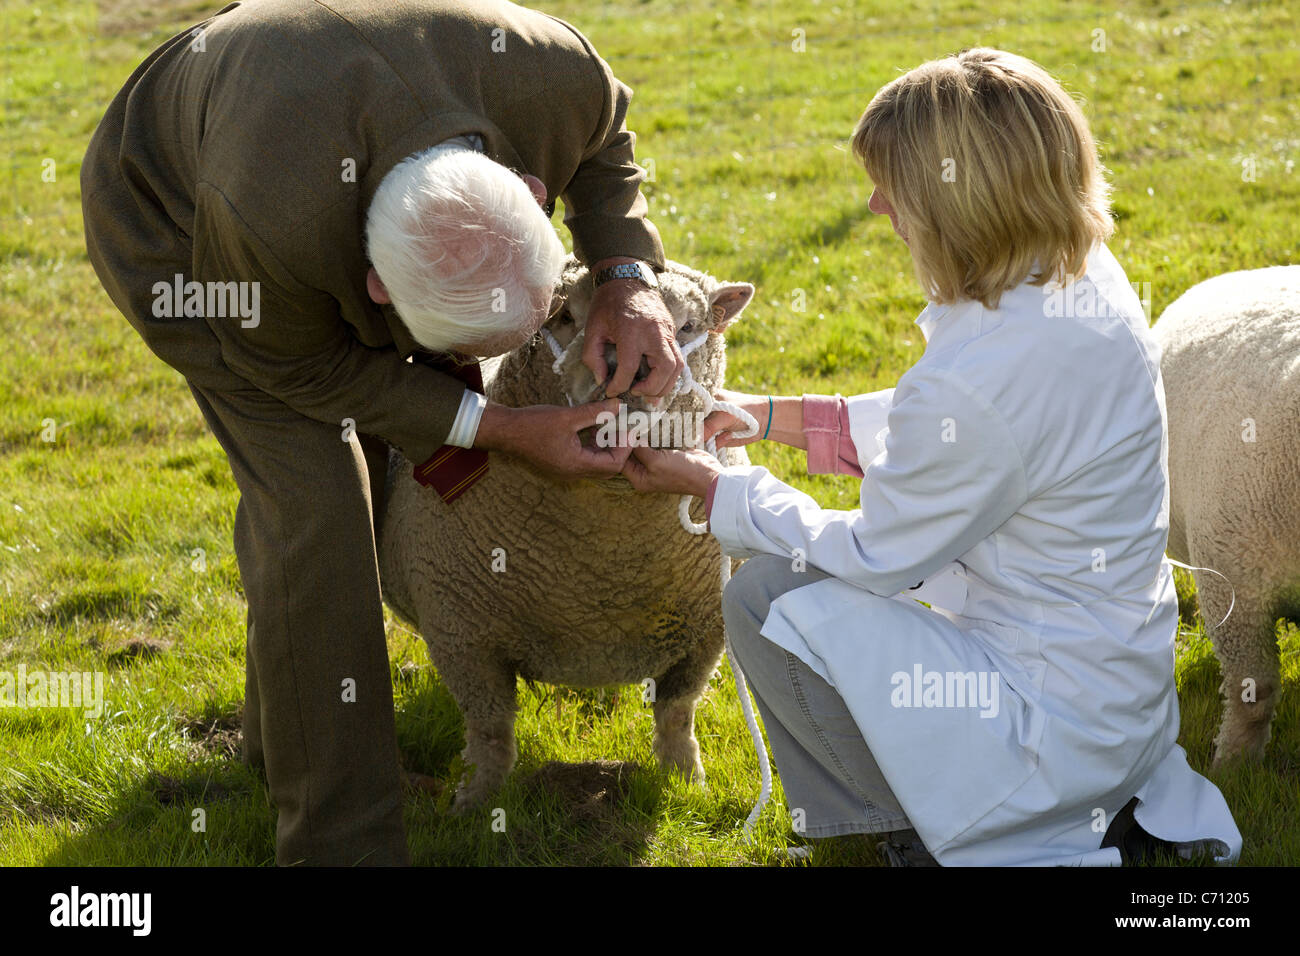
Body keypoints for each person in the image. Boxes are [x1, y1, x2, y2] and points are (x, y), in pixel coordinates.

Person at [81, 0, 677, 865]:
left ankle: (279, 742)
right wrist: (498, 427)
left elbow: (608, 142)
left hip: (315, 97)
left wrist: (626, 276)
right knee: (318, 503)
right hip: (178, 233)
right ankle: (339, 841)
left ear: (532, 192)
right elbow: (303, 370)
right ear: (376, 292)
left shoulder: (554, 77)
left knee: (370, 458)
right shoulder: (265, 229)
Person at [622, 47, 1243, 866]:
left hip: (1051, 733)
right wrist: (774, 416)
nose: (877, 206)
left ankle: (920, 834)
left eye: (895, 186)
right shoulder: (1080, 275)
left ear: (961, 199)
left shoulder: (986, 374)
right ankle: (1089, 810)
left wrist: (719, 489)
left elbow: (880, 555)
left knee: (769, 596)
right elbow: (965, 438)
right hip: (1118, 699)